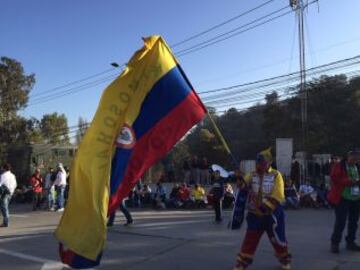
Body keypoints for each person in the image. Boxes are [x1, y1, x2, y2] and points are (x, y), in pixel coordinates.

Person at [233, 148, 291, 270]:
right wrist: (239, 178)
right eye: (259, 163)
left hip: (272, 214)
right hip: (255, 214)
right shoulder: (252, 174)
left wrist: (265, 208)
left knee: (277, 238)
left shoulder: (276, 175)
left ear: (269, 163)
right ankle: (242, 263)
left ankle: (285, 260)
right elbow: (243, 186)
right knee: (250, 239)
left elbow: (278, 194)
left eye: (263, 163)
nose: (260, 165)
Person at [328, 151, 360, 253]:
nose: (355, 161)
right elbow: (334, 178)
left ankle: (350, 242)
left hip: (355, 198)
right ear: (348, 156)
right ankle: (335, 243)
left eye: (357, 160)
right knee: (340, 222)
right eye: (354, 159)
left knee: (354, 222)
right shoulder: (339, 165)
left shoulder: (357, 166)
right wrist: (350, 181)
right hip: (342, 198)